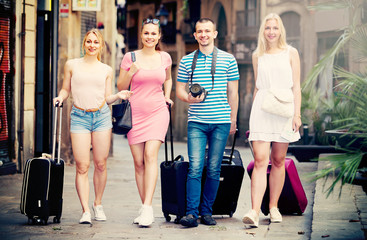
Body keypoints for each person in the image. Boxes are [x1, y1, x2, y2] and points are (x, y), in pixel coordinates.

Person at [53, 29, 132, 224]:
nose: (91, 45)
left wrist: (118, 95)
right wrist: (60, 97)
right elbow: (65, 88)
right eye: (88, 41)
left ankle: (98, 204)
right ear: (84, 44)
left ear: (100, 45)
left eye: (95, 42)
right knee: (82, 166)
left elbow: (107, 98)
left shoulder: (106, 69)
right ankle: (85, 210)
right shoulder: (72, 65)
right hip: (79, 116)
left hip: (102, 117)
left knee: (101, 163)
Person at [176, 18, 239, 228]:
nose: (203, 34)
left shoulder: (228, 59)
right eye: (199, 31)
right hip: (197, 122)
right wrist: (189, 99)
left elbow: (233, 93)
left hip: (221, 122)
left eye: (207, 31)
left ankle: (207, 212)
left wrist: (233, 120)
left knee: (213, 168)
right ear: (195, 35)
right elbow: (179, 91)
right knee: (195, 167)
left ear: (215, 34)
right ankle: (191, 214)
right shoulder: (186, 61)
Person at [243, 13, 302, 227]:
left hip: (284, 109)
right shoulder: (257, 54)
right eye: (268, 28)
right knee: (260, 160)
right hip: (262, 108)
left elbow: (296, 86)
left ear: (281, 30)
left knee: (278, 160)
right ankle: (254, 211)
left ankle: (273, 207)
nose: (271, 32)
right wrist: (253, 115)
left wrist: (297, 114)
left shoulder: (291, 52)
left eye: (275, 28)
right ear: (263, 31)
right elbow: (258, 86)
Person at [117, 17, 173, 227]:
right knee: (138, 163)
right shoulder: (130, 57)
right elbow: (121, 85)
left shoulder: (165, 57)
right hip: (135, 115)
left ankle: (148, 208)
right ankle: (144, 206)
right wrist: (131, 71)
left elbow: (167, 79)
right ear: (141, 35)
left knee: (150, 155)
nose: (150, 37)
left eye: (153, 33)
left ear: (159, 36)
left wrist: (167, 95)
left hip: (158, 111)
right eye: (146, 33)